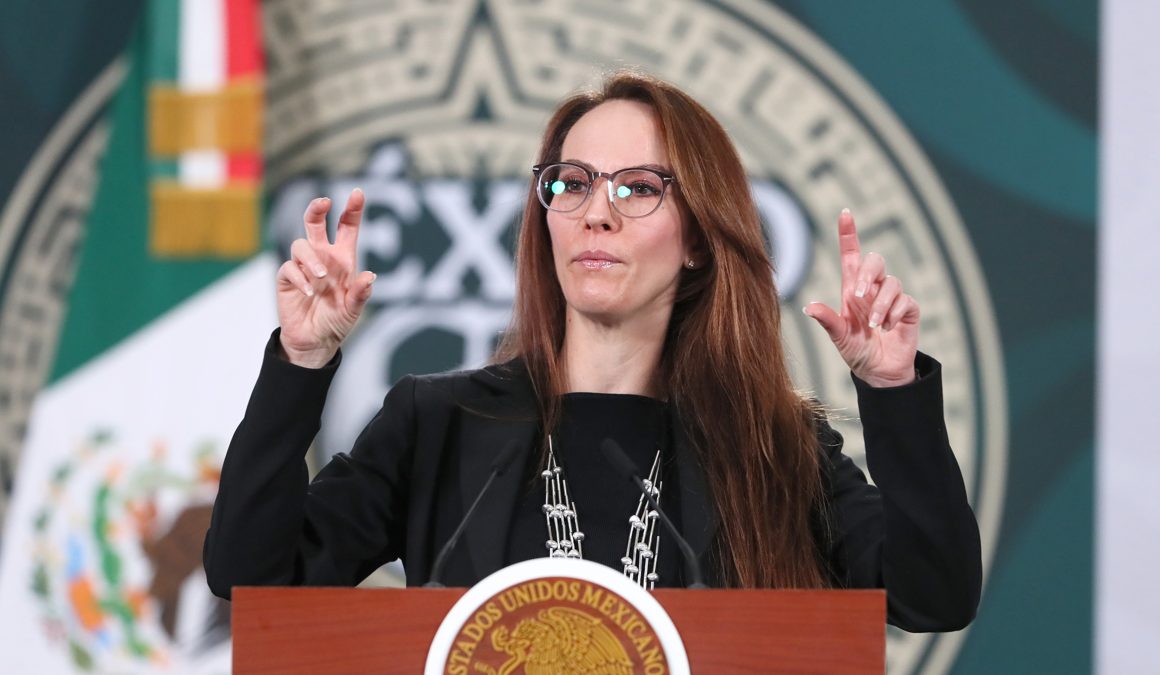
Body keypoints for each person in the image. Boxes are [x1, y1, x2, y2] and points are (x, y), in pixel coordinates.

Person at [203, 72, 981, 633]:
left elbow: (934, 596)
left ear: (701, 240)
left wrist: (892, 387)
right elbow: (251, 577)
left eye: (638, 187)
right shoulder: (435, 421)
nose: (594, 214)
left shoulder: (773, 443)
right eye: (569, 183)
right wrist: (301, 361)